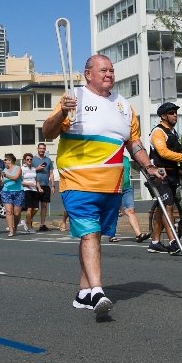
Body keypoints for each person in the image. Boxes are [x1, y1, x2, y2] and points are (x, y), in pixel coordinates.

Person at [42, 54, 160, 316]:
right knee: (90, 234)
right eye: (103, 70)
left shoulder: (124, 106)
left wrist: (149, 166)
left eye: (111, 70)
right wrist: (62, 111)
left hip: (112, 185)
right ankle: (97, 291)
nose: (109, 74)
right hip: (77, 179)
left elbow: (134, 143)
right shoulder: (73, 99)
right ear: (88, 74)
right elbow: (48, 132)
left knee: (93, 235)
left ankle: (83, 293)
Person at [147, 102, 182, 255]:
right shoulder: (158, 132)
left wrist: (179, 169)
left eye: (176, 112)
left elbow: (173, 155)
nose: (175, 115)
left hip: (172, 174)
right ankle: (173, 242)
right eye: (171, 113)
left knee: (161, 209)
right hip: (159, 175)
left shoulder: (173, 132)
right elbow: (163, 152)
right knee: (168, 206)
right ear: (163, 116)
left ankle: (155, 242)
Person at [109, 157, 149, 243]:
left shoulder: (126, 159)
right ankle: (111, 235)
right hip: (115, 189)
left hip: (127, 188)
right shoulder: (113, 157)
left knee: (131, 211)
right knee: (114, 212)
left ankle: (139, 235)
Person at [32, 143, 55, 232]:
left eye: (43, 148)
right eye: (40, 148)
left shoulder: (48, 160)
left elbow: (51, 173)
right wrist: (36, 169)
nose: (42, 150)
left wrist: (53, 185)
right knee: (35, 207)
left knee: (44, 205)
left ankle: (42, 224)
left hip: (45, 185)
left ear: (45, 149)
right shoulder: (32, 159)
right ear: (37, 149)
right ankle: (28, 220)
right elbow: (26, 170)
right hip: (34, 185)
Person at [0, 154, 25, 237]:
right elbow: (1, 182)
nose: (4, 161)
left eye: (5, 159)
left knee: (17, 213)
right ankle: (11, 230)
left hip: (18, 192)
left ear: (10, 160)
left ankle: (15, 227)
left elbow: (15, 177)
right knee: (9, 211)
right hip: (6, 192)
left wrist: (5, 175)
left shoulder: (18, 168)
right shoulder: (4, 170)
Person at [20, 152, 41, 233]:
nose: (29, 160)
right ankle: (29, 227)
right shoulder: (22, 168)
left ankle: (25, 221)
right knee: (29, 208)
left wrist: (39, 188)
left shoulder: (33, 168)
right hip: (26, 190)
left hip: (34, 190)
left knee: (36, 208)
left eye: (30, 159)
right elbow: (20, 181)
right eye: (27, 159)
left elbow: (36, 180)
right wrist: (28, 184)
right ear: (25, 160)